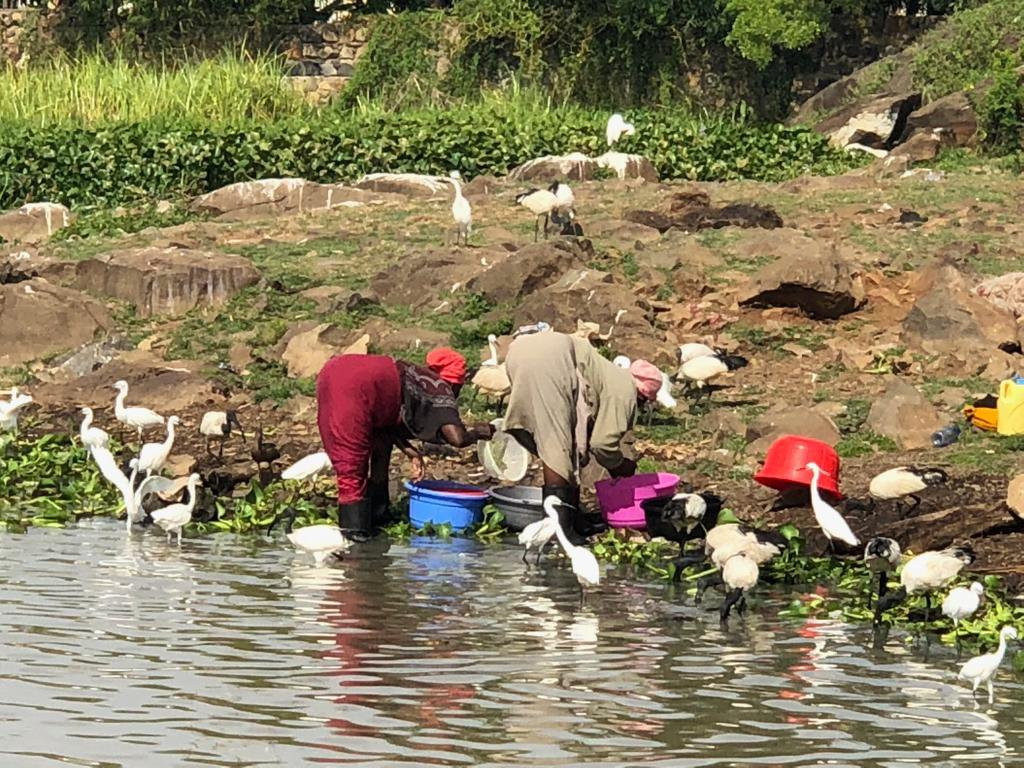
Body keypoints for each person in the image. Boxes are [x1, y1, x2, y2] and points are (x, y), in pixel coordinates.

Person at [316, 347, 494, 540]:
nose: (456, 395)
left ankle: (378, 513)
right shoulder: (440, 386)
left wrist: (411, 452)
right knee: (351, 465)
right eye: (458, 388)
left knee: (381, 444)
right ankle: (354, 537)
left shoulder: (415, 376)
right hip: (353, 387)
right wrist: (478, 432)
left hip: (333, 372)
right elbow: (457, 438)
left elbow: (388, 424)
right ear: (454, 383)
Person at [503, 331, 662, 542]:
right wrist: (620, 467)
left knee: (560, 440)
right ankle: (559, 530)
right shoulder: (626, 391)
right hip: (551, 359)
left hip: (521, 351)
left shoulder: (608, 374)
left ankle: (571, 518)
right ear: (642, 395)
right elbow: (602, 444)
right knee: (555, 443)